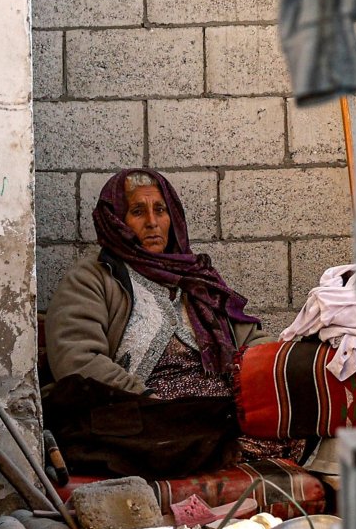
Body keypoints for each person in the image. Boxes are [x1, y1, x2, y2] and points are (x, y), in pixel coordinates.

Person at [44, 169, 296, 473]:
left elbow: (250, 340)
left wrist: (282, 367)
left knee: (297, 423)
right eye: (137, 211)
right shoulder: (93, 280)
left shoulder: (196, 280)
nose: (152, 222)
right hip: (148, 416)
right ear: (116, 222)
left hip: (220, 411)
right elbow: (77, 359)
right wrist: (148, 399)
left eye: (160, 210)